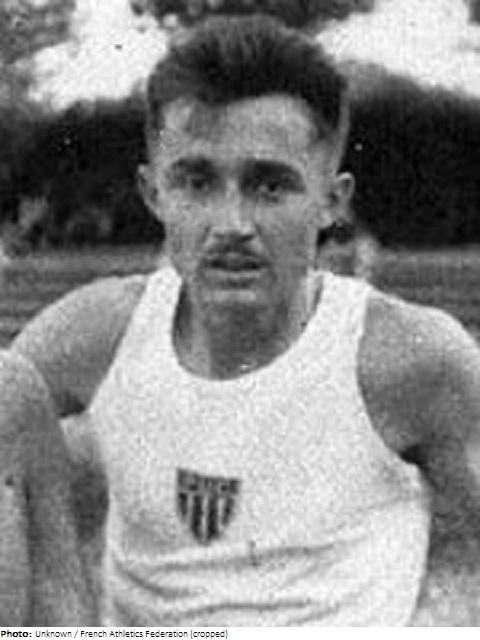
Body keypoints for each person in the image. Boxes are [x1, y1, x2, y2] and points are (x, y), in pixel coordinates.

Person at [2, 15, 480, 626]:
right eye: (197, 182)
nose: (231, 224)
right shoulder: (100, 331)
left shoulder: (408, 357)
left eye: (269, 186)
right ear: (155, 193)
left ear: (331, 201)